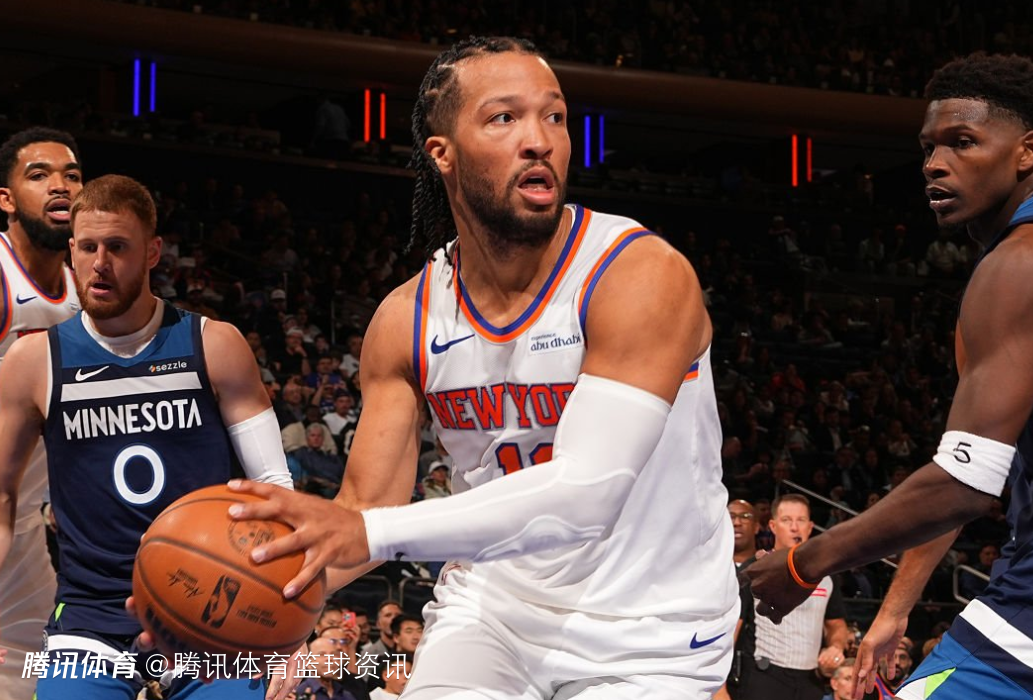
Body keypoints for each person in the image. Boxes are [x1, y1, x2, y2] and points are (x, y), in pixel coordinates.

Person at [228, 35, 738, 699]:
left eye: (553, 116)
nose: (539, 140)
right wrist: (241, 606)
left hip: (650, 629)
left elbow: (587, 493)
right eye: (504, 118)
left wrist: (368, 530)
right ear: (442, 152)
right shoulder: (406, 318)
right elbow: (365, 511)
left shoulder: (638, 273)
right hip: (492, 610)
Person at [744, 52, 1033, 700]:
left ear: (1026, 151)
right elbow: (969, 462)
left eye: (962, 142)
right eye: (928, 147)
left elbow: (962, 485)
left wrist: (805, 561)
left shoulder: (1017, 266)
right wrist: (897, 606)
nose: (934, 163)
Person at [0, 174, 295, 699]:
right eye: (87, 247)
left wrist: (289, 625)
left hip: (210, 603)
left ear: (153, 252)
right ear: (71, 250)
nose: (99, 263)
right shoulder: (33, 360)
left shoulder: (214, 344)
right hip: (91, 613)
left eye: (117, 247)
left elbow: (274, 486)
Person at [0, 126, 82, 700]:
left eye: (72, 175)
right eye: (39, 174)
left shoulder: (86, 290)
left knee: (33, 675)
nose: (61, 186)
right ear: (5, 199)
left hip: (23, 525)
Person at [739, 495, 850, 700]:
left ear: (810, 527)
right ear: (773, 526)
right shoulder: (755, 568)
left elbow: (837, 624)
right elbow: (731, 629)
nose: (794, 527)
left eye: (800, 520)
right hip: (763, 676)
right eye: (786, 520)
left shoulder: (826, 575)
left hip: (810, 681)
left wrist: (835, 647)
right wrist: (719, 688)